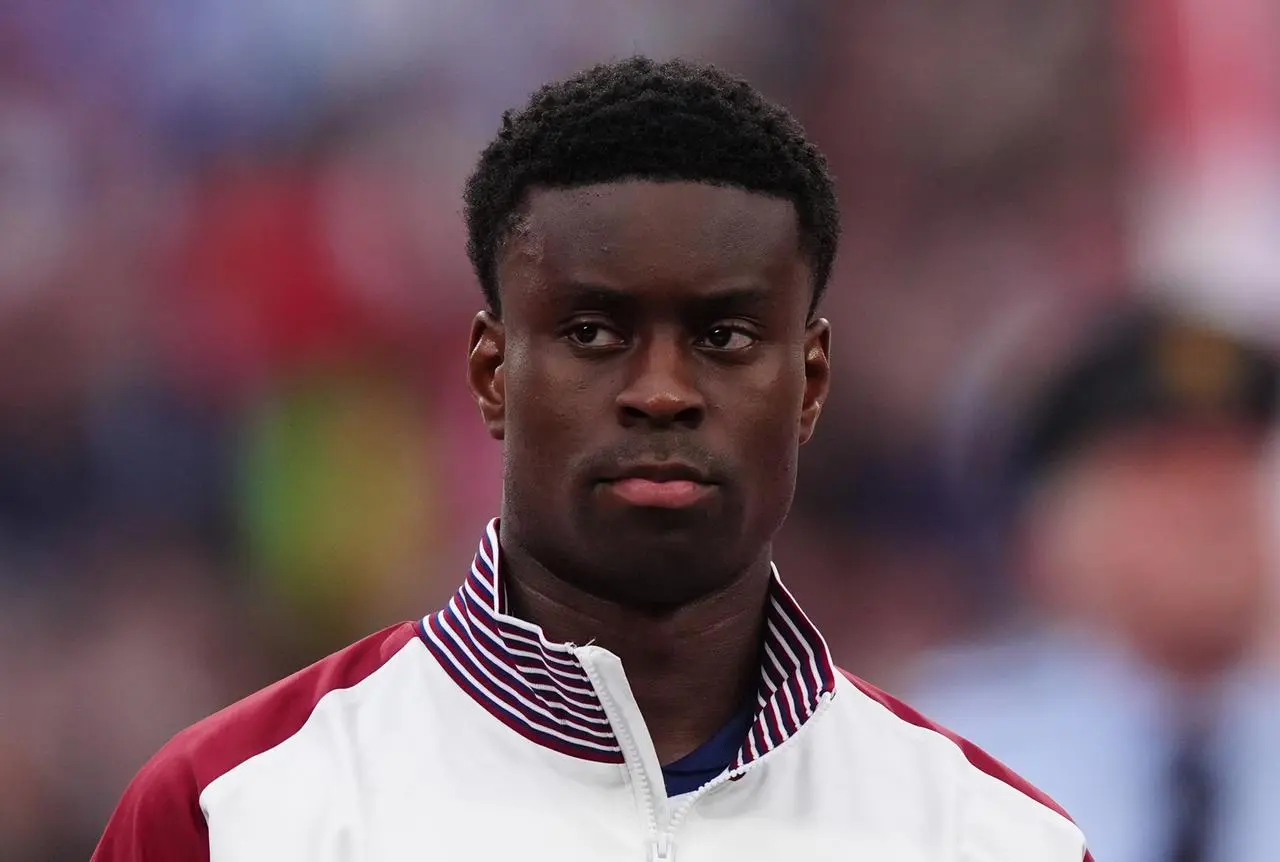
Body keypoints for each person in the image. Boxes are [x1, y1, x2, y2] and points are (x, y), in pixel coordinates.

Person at [93, 56, 1091, 861]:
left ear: (811, 382)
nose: (660, 389)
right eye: (591, 333)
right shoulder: (233, 813)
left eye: (726, 337)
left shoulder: (985, 834)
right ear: (489, 372)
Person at [908, 302, 1280, 862]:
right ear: (1048, 534)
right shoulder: (947, 757)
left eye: (1239, 465)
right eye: (1159, 469)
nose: (1213, 507)